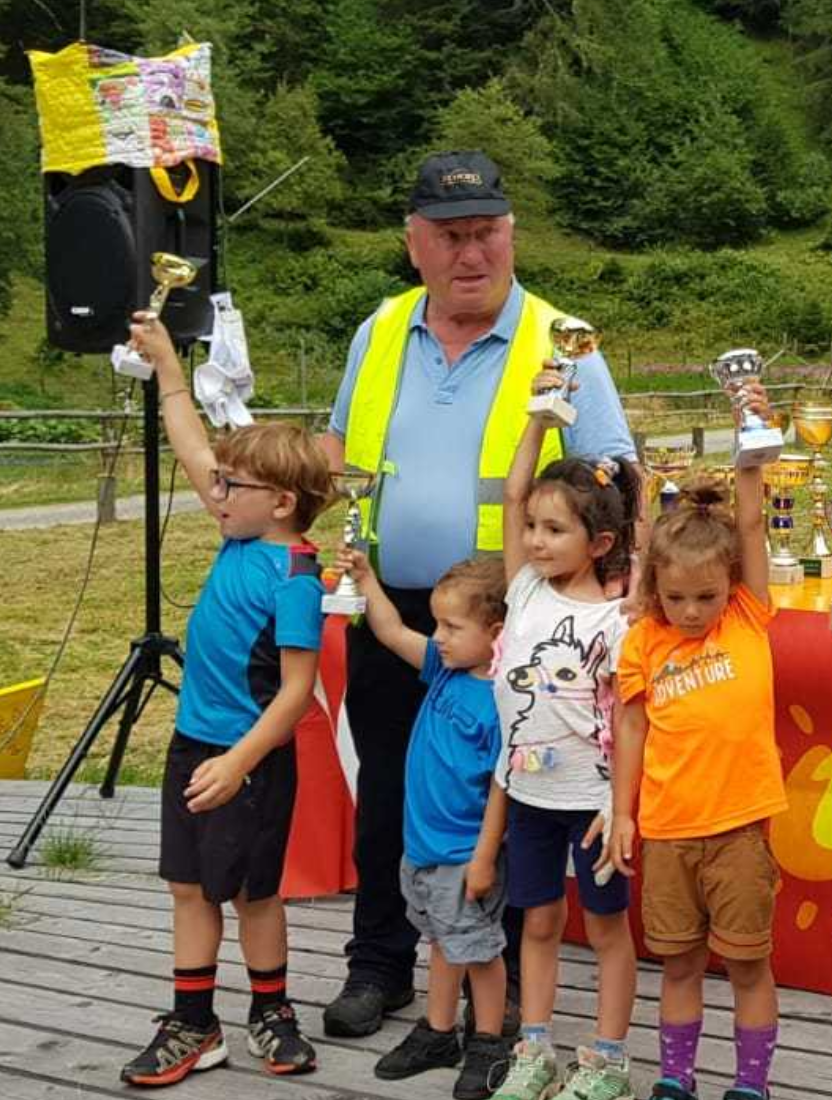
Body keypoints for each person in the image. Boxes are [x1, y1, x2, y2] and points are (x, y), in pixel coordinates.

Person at [319, 149, 634, 1040]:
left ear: (512, 234)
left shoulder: (564, 342)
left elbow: (613, 479)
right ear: (413, 243)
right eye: (451, 236)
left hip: (512, 620)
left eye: (487, 233)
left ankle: (489, 992)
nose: (472, 255)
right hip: (392, 608)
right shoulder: (379, 329)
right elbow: (343, 454)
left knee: (500, 796)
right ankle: (378, 961)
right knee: (391, 789)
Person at [117, 317, 333, 1087]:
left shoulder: (296, 576)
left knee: (254, 892)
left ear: (278, 502)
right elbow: (190, 442)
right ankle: (194, 1022)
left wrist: (241, 762)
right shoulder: (238, 538)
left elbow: (299, 692)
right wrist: (170, 361)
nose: (213, 489)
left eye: (230, 486)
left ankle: (272, 1014)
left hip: (252, 762)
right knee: (187, 886)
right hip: (191, 746)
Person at [610, 384, 786, 1100]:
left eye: (704, 598)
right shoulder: (642, 644)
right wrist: (623, 814)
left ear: (729, 589)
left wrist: (752, 440)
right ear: (654, 589)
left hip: (739, 829)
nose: (690, 611)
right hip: (668, 831)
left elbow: (748, 524)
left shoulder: (747, 614)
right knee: (678, 964)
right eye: (675, 598)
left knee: (747, 964)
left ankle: (751, 1085)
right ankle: (676, 1078)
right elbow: (630, 728)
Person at [486, 392, 640, 1100]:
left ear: (600, 543)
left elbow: (633, 720)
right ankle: (536, 1048)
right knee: (538, 920)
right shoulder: (521, 589)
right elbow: (514, 489)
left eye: (556, 530)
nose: (538, 540)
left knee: (606, 929)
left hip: (594, 803)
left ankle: (606, 1060)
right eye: (533, 529)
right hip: (529, 795)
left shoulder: (619, 616)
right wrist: (538, 421)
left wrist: (621, 802)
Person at [339, 552, 516, 1099]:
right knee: (441, 941)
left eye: (451, 627)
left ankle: (488, 1042)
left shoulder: (502, 702)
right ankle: (438, 1031)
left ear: (497, 632)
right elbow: (391, 631)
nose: (437, 636)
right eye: (437, 624)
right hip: (423, 850)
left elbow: (503, 790)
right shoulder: (444, 669)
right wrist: (367, 579)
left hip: (465, 854)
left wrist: (484, 858)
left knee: (480, 952)